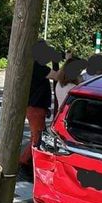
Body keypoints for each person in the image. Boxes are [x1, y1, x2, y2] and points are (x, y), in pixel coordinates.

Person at [19, 40, 61, 175]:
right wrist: (56, 62)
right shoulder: (38, 67)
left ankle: (26, 161)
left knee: (38, 135)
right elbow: (59, 76)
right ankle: (24, 162)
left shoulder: (35, 65)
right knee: (37, 137)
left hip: (37, 106)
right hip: (35, 107)